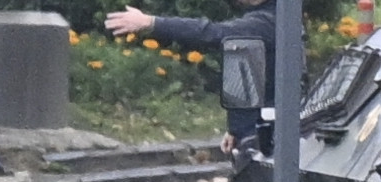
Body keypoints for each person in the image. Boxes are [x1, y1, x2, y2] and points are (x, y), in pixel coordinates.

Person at [105, 0, 277, 156]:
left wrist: (151, 23)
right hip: (257, 130)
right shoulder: (266, 17)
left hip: (270, 134)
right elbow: (252, 75)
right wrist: (238, 129)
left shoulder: (270, 20)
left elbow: (213, 32)